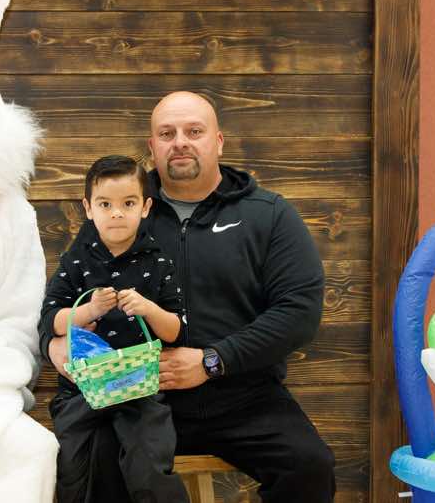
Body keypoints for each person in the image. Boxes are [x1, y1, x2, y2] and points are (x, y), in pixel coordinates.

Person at [46, 92, 336, 503]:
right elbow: (60, 299)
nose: (180, 142)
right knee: (98, 465)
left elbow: (299, 312)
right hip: (139, 398)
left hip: (244, 396)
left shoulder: (268, 215)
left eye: (194, 131)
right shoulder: (118, 212)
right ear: (152, 147)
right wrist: (53, 342)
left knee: (309, 467)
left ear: (218, 141)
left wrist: (213, 361)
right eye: (167, 134)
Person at [38, 155, 190, 503]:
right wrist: (88, 311)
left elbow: (177, 331)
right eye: (105, 204)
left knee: (149, 464)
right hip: (83, 389)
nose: (117, 213)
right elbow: (49, 320)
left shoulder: (158, 261)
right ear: (88, 208)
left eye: (128, 203)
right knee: (76, 470)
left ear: (146, 207)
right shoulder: (76, 260)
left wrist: (149, 309)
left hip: (139, 387)